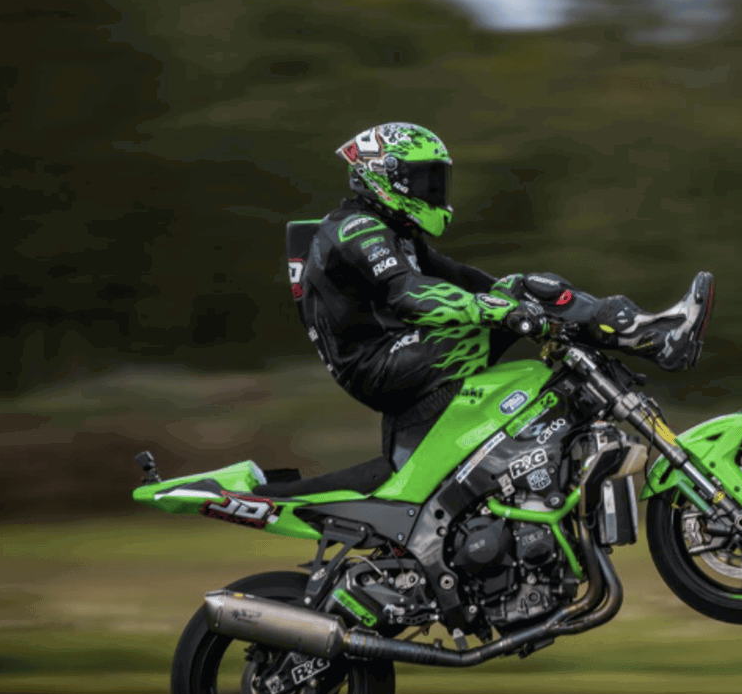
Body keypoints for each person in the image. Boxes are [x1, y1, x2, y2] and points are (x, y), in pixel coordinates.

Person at [292, 122, 708, 469]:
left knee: (528, 289)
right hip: (378, 366)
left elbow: (467, 279)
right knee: (517, 303)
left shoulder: (397, 233)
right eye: (424, 179)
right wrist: (500, 311)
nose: (435, 191)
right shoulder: (354, 229)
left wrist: (516, 298)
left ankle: (644, 336)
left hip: (396, 355)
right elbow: (408, 294)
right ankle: (650, 341)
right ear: (386, 175)